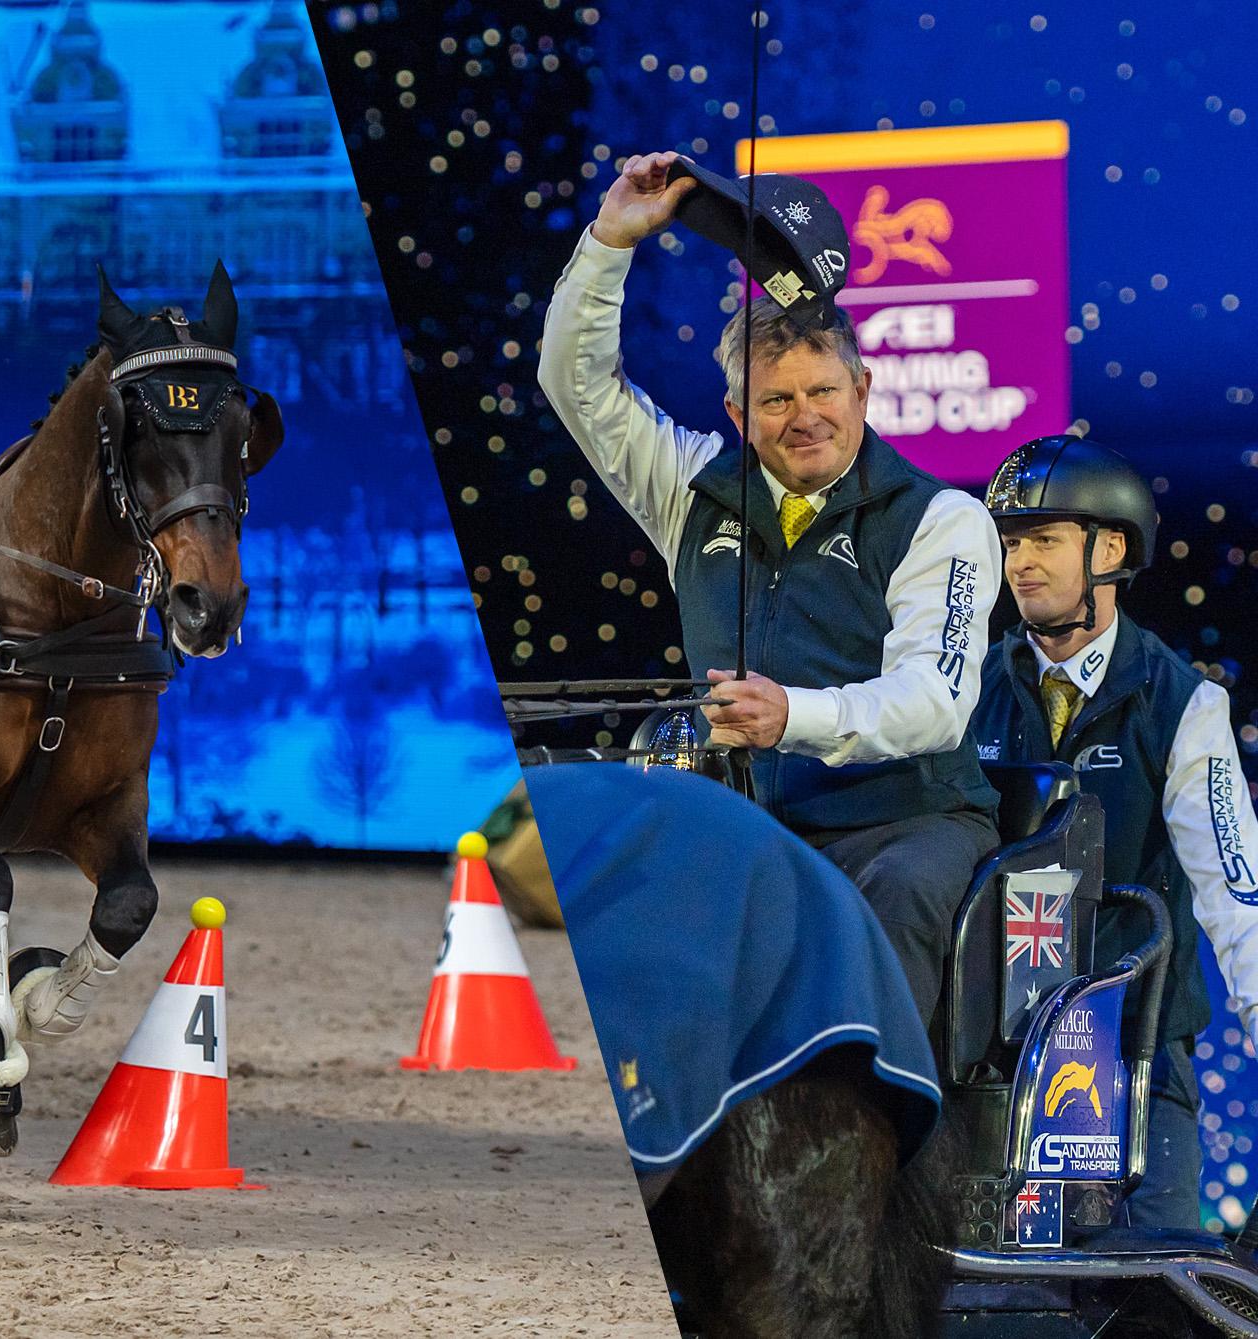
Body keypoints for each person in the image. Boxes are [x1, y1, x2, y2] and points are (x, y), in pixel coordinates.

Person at [537, 148, 1005, 1028]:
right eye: (777, 400)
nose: (805, 417)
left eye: (823, 390)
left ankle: (880, 1106)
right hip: (745, 820)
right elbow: (576, 386)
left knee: (890, 901)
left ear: (863, 390)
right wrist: (609, 241)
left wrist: (795, 715)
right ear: (737, 413)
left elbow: (936, 701)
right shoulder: (691, 488)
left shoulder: (942, 519)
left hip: (906, 825)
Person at [969, 434, 1258, 1231]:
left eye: (1044, 539)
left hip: (1137, 1050)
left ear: (1112, 549)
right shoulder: (965, 690)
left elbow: (1236, 893)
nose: (1021, 562)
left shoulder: (1185, 705)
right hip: (988, 1061)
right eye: (1011, 542)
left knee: (1156, 1282)